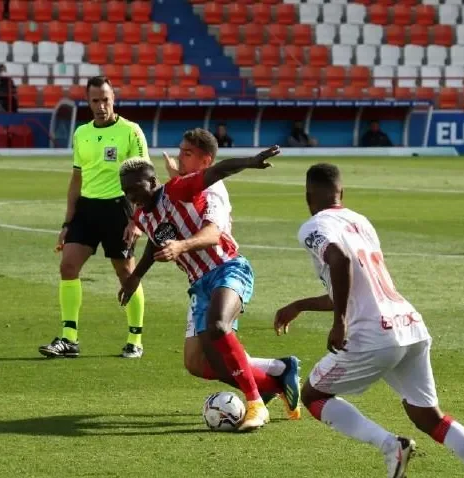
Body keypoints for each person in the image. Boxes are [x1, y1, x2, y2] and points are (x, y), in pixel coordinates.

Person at [272, 163, 464, 478]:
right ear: (342, 194)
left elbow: (341, 263)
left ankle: (390, 446)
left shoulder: (313, 227)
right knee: (427, 416)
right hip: (409, 325)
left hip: (374, 334)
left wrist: (340, 322)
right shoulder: (361, 222)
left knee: (314, 396)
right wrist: (302, 304)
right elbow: (357, 288)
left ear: (307, 196)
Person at [132, 128, 302, 420]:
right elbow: (160, 227)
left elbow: (213, 233)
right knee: (199, 363)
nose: (179, 157)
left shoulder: (214, 189)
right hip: (198, 283)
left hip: (226, 267)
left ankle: (255, 404)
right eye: (181, 151)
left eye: (187, 153)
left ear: (205, 160)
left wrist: (250, 161)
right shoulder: (168, 193)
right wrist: (136, 275)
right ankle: (275, 376)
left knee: (218, 328)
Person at [39, 76, 149, 360]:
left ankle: (135, 338)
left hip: (119, 208)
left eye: (105, 100)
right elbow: (77, 178)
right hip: (87, 209)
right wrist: (67, 222)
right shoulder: (81, 133)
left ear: (114, 99)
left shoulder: (131, 132)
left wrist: (137, 219)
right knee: (68, 266)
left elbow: (147, 179)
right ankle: (69, 338)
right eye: (95, 101)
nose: (101, 106)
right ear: (88, 102)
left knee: (126, 273)